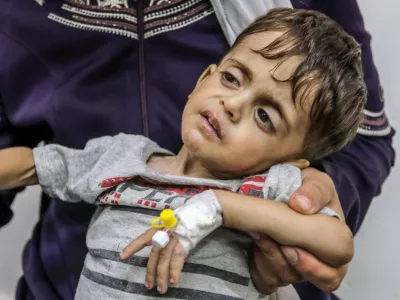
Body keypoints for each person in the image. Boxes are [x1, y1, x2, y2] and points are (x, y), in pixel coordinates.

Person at [0, 0, 394, 300]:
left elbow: (338, 237)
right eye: (230, 77)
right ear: (205, 78)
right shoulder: (120, 158)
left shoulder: (265, 189)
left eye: (265, 116)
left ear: (292, 159)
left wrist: (222, 207)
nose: (232, 104)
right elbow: (32, 165)